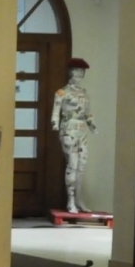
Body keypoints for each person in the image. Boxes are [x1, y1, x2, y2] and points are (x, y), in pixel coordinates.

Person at [51, 57, 96, 213]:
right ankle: (70, 201)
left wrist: (93, 127)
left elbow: (88, 114)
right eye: (76, 70)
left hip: (81, 130)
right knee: (73, 164)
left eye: (81, 71)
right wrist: (55, 124)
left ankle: (78, 199)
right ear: (70, 72)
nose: (79, 74)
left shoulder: (84, 93)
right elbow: (55, 113)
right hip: (68, 130)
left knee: (82, 165)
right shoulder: (62, 92)